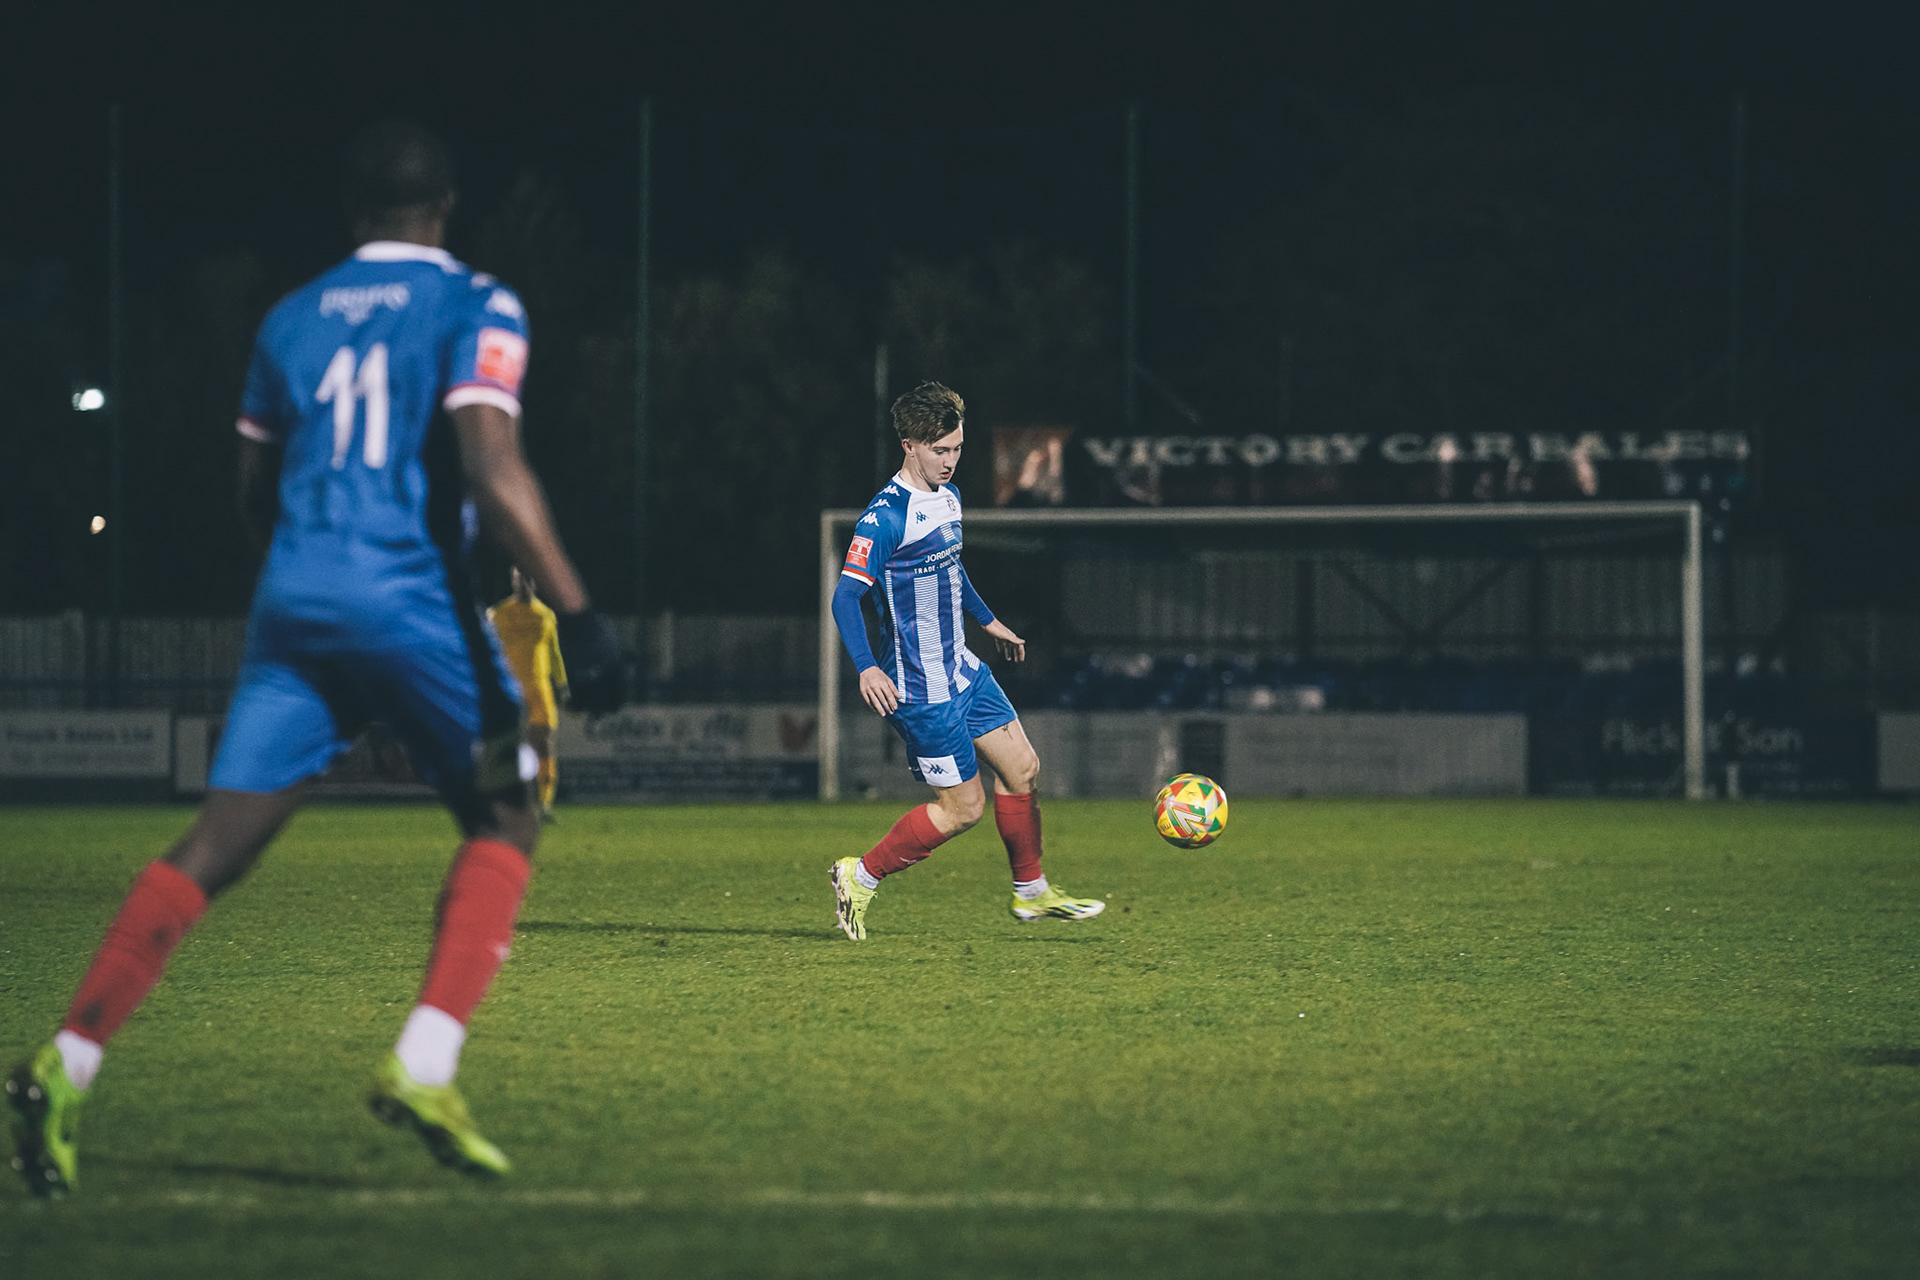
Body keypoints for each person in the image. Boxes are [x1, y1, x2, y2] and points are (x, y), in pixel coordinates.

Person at [5, 119, 628, 1196]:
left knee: (214, 844)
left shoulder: (289, 318)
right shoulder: (476, 301)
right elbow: (492, 465)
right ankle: (424, 1063)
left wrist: (312, 581)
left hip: (294, 604)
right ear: (447, 207)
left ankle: (68, 1058)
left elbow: (252, 490)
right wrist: (580, 612)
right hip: (412, 602)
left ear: (353, 213)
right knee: (508, 810)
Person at [828, 381, 1104, 940]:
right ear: (909, 445)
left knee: (1022, 768)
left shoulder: (948, 497)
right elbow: (844, 597)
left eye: (957, 448)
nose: (950, 460)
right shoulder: (884, 519)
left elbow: (952, 568)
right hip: (919, 689)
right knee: (962, 809)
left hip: (963, 670)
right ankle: (860, 875)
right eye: (939, 450)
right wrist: (866, 666)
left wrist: (987, 619)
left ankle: (1031, 893)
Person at [489, 567, 568, 819]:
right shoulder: (498, 614)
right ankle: (504, 802)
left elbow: (554, 652)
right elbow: (488, 650)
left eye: (527, 578)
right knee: (506, 745)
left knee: (543, 744)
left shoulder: (545, 615)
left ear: (534, 582)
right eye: (518, 579)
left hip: (539, 688)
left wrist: (562, 684)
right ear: (513, 582)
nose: (523, 583)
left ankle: (543, 803)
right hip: (510, 688)